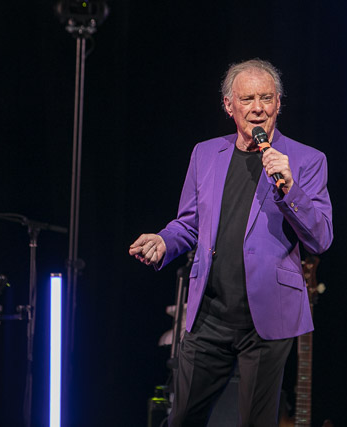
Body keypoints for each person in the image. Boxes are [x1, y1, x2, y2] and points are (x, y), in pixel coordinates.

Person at [129, 58, 333, 426]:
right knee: (181, 418)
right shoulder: (205, 153)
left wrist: (289, 186)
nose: (258, 108)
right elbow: (189, 223)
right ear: (229, 105)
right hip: (209, 315)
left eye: (267, 98)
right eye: (248, 99)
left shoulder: (306, 160)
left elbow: (320, 238)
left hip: (268, 317)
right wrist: (163, 241)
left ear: (279, 104)